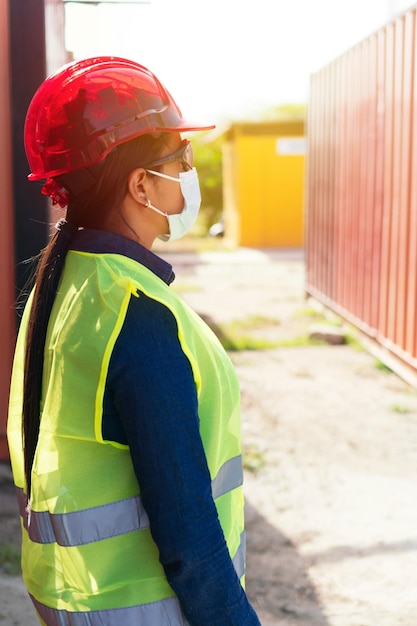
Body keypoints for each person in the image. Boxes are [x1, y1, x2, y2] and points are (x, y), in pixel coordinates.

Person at [7, 56, 261, 626]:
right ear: (141, 183)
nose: (191, 171)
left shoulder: (66, 281)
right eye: (181, 160)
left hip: (82, 600)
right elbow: (186, 527)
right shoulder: (136, 313)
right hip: (144, 609)